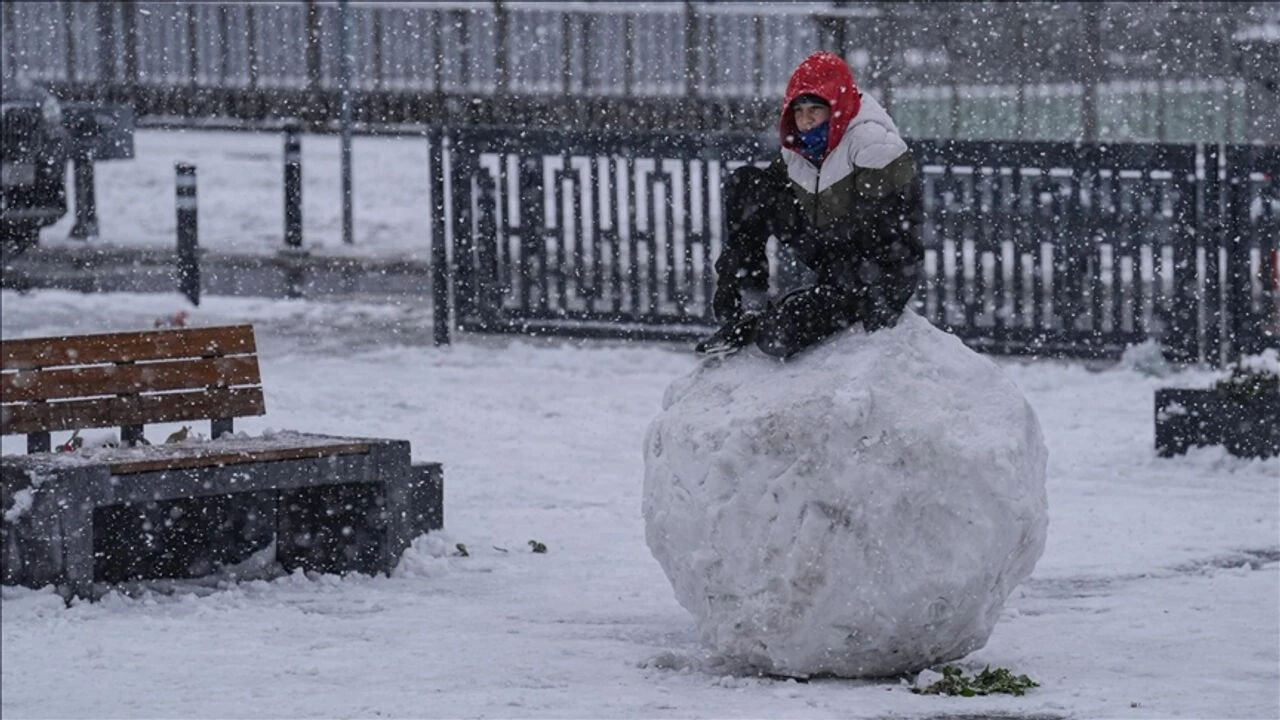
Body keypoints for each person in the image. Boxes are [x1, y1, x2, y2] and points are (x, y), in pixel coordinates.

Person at [697, 51, 924, 358]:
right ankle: (751, 304)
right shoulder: (800, 146)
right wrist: (731, 278)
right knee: (746, 184)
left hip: (867, 274)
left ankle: (788, 316)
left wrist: (883, 302)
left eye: (815, 109)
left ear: (837, 107)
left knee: (777, 339)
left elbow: (898, 240)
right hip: (831, 253)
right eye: (798, 110)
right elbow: (762, 202)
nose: (805, 120)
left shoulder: (874, 144)